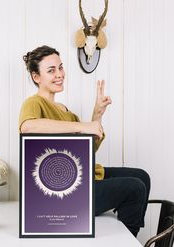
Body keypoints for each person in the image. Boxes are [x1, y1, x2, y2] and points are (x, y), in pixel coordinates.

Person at [19, 45, 150, 237]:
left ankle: (136, 235)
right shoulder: (34, 103)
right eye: (51, 70)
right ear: (36, 77)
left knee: (142, 176)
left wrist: (97, 114)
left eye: (61, 67)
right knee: (135, 188)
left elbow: (88, 151)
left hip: (84, 174)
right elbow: (28, 127)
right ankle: (128, 241)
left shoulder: (65, 111)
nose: (59, 74)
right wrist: (82, 126)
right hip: (66, 192)